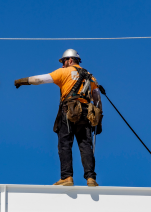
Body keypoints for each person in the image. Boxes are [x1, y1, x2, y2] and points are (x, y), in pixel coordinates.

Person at [14, 49, 102, 187]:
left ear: (70, 60)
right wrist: (99, 121)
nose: (62, 65)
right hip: (86, 114)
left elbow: (39, 79)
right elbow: (97, 98)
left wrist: (23, 81)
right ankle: (91, 178)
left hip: (70, 111)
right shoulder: (91, 76)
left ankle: (67, 177)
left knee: (65, 144)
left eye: (63, 61)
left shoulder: (64, 72)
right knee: (85, 145)